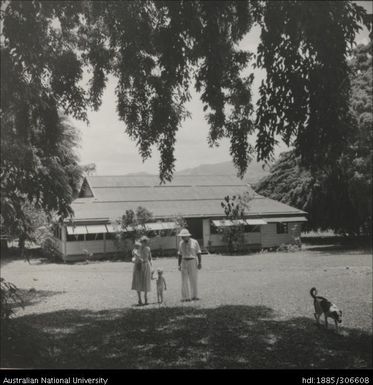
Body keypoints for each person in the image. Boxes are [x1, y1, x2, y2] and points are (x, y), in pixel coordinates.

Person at [177, 228, 202, 302]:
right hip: (184, 262)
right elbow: (180, 254)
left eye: (183, 236)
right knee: (184, 280)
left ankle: (194, 296)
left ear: (188, 236)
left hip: (192, 261)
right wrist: (179, 264)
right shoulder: (181, 243)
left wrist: (200, 263)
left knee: (193, 279)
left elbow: (198, 252)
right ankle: (185, 297)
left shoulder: (194, 242)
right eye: (181, 236)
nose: (182, 238)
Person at [131, 236, 152, 305]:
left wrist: (151, 267)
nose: (144, 243)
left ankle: (146, 298)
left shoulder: (148, 249)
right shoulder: (136, 249)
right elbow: (133, 258)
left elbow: (150, 258)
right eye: (143, 242)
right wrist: (135, 258)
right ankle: (139, 299)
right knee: (138, 282)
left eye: (146, 242)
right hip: (138, 266)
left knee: (146, 281)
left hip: (146, 266)